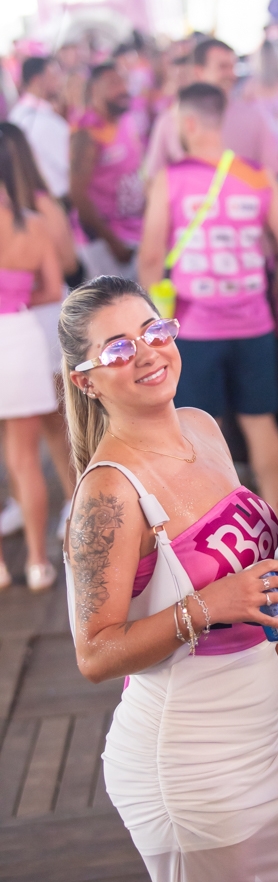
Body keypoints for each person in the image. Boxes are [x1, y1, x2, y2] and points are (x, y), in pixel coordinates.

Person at [59, 276, 278, 882]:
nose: (147, 352)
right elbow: (95, 654)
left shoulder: (203, 427)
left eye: (154, 330)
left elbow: (257, 585)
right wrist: (204, 606)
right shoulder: (109, 492)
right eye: (118, 348)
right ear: (85, 381)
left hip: (270, 734)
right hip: (190, 764)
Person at [138, 82, 278, 558]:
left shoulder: (170, 179)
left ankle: (212, 530)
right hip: (253, 323)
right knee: (260, 421)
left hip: (192, 328)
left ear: (187, 122)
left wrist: (150, 324)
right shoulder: (256, 176)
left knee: (197, 429)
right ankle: (277, 530)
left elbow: (151, 257)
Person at [0, 123, 76, 542]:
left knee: (53, 421)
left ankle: (72, 500)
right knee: (25, 426)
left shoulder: (38, 205)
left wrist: (14, 292)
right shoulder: (29, 208)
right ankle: (26, 502)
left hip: (41, 323)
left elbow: (66, 263)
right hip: (26, 323)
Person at [144, 39, 278, 180]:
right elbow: (154, 179)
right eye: (223, 67)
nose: (231, 75)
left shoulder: (254, 116)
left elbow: (274, 174)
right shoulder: (169, 121)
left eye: (233, 67)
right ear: (199, 72)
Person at [70, 63, 146, 281]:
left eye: (124, 81)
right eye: (114, 83)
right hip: (105, 242)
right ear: (94, 89)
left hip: (133, 231)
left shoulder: (126, 120)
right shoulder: (87, 133)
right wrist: (112, 242)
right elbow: (78, 194)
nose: (123, 89)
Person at [9, 56, 70, 201]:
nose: (60, 81)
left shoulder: (17, 113)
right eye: (54, 76)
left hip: (38, 199)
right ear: (37, 80)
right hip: (57, 199)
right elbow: (72, 165)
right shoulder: (42, 120)